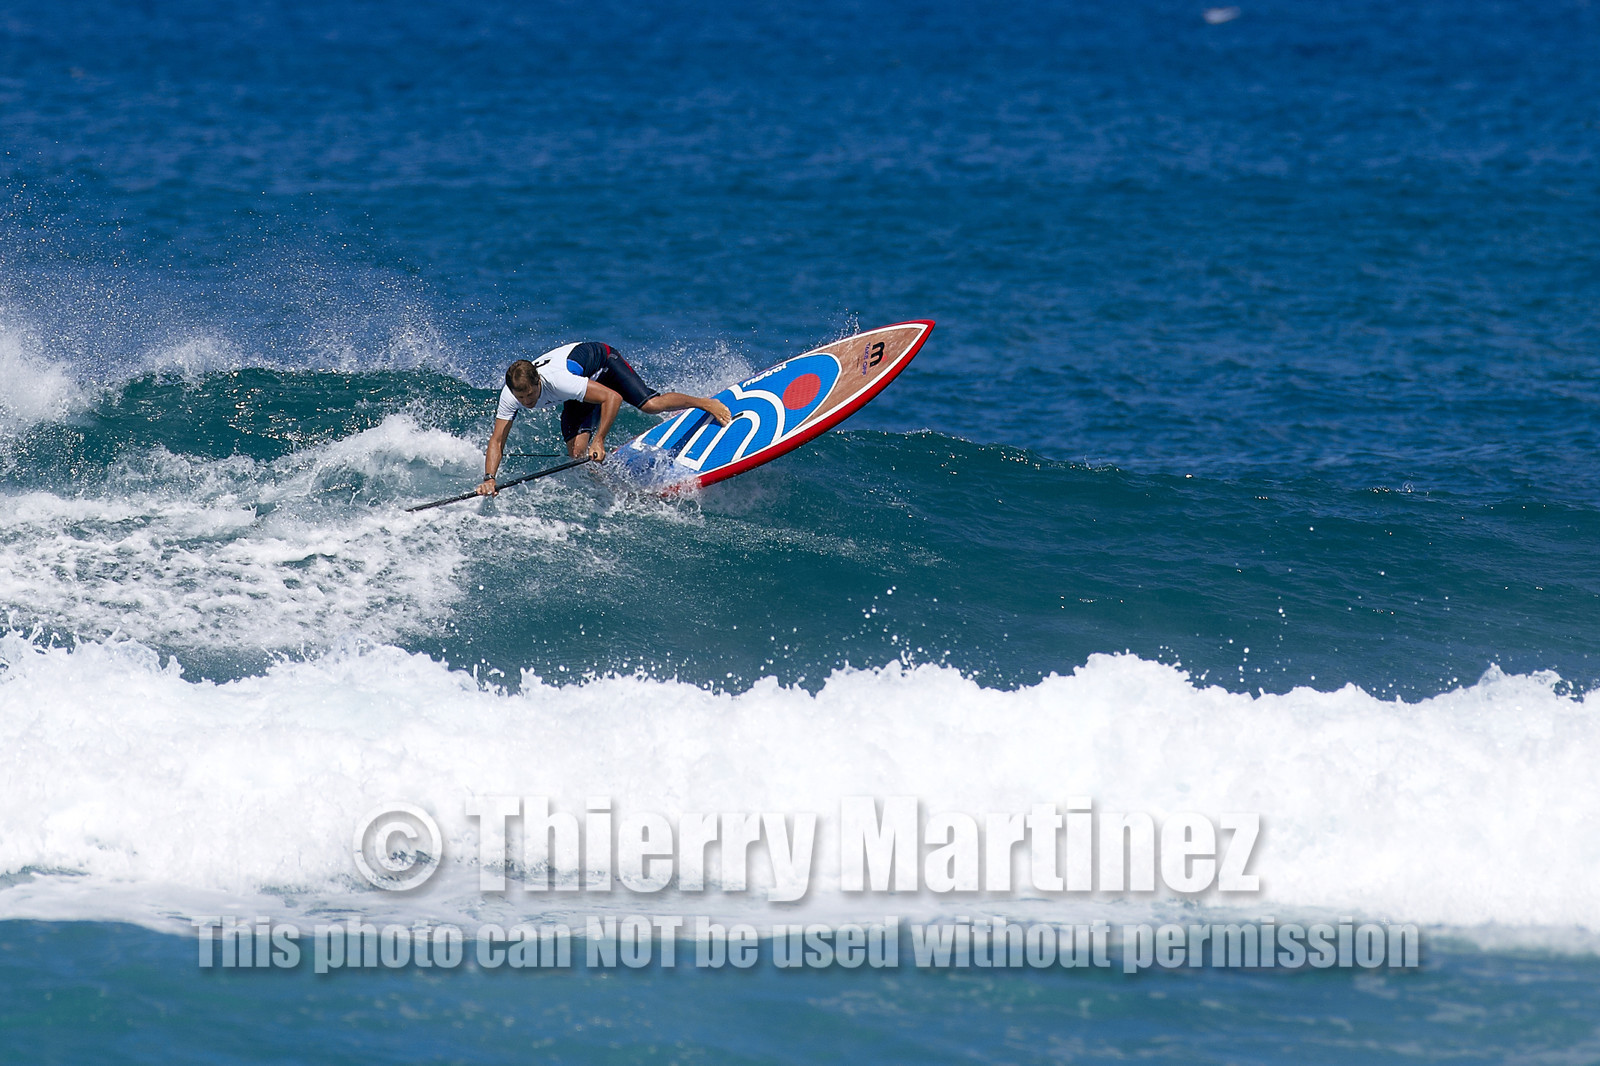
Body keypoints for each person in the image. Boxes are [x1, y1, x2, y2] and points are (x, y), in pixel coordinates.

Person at [477, 342, 732, 496]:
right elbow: (497, 441)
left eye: (530, 395)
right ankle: (615, 487)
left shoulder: (558, 381)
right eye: (521, 398)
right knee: (578, 454)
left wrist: (599, 439)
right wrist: (489, 478)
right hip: (580, 386)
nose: (526, 402)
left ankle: (705, 403)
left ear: (538, 381)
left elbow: (613, 398)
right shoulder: (511, 394)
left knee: (650, 405)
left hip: (604, 361)